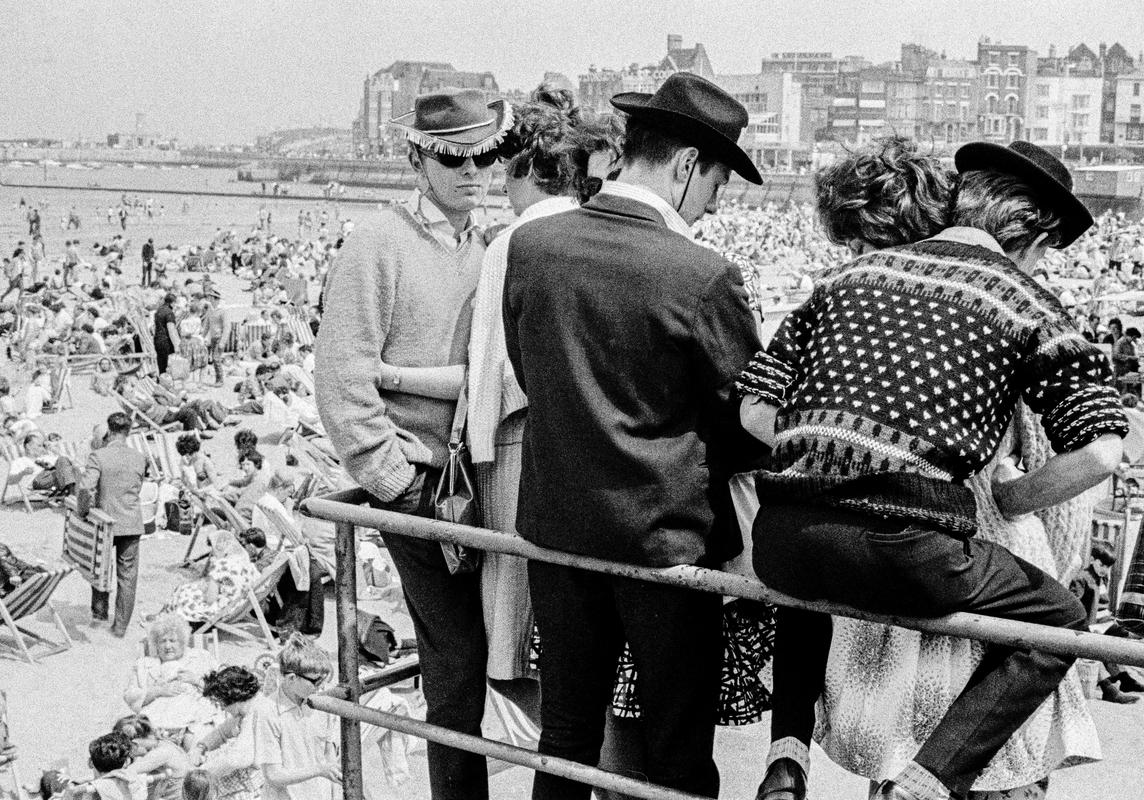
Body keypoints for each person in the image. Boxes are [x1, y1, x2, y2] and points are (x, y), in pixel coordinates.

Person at [738, 140, 1127, 800]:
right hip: (909, 544)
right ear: (1035, 234)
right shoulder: (1022, 298)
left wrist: (830, 450)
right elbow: (1101, 452)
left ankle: (786, 758)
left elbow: (753, 406)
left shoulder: (845, 278)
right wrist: (1009, 497)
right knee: (1058, 621)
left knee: (812, 585)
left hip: (780, 538)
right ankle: (929, 783)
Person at [503, 72, 765, 799]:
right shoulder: (702, 274)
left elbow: (531, 374)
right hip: (665, 546)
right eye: (716, 185)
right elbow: (746, 425)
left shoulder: (536, 245)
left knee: (564, 741)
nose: (713, 206)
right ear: (687, 167)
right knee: (677, 753)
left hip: (556, 530)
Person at [315, 86, 509, 800]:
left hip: (475, 479)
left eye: (485, 155)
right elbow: (340, 378)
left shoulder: (484, 245)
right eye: (454, 158)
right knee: (456, 665)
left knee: (493, 652)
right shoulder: (377, 243)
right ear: (417, 159)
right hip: (421, 487)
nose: (473, 171)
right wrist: (395, 481)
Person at [79, 411, 149, 637]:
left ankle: (99, 616)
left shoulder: (98, 456)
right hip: (131, 522)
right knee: (127, 576)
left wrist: (83, 511)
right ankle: (120, 627)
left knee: (99, 568)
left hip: (104, 522)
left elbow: (85, 488)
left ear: (109, 431)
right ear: (128, 432)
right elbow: (137, 485)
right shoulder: (140, 457)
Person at [248, 633, 341, 800]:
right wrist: (320, 770)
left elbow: (329, 756)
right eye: (316, 681)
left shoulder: (321, 704)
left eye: (323, 680)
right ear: (291, 678)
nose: (321, 686)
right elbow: (273, 775)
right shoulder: (267, 711)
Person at [124, 615, 220, 746]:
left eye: (172, 640)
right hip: (157, 725)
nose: (167, 646)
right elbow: (130, 695)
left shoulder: (201, 657)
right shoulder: (144, 664)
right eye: (163, 641)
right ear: (156, 644)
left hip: (194, 722)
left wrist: (197, 681)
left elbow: (224, 687)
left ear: (182, 642)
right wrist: (157, 691)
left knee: (196, 740)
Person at [1070, 542, 1144, 703]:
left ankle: (1123, 679)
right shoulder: (1082, 578)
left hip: (1104, 622)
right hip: (1089, 625)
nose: (1104, 569)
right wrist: (1086, 625)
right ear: (1092, 560)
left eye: (1108, 567)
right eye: (1101, 564)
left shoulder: (1101, 579)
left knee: (1122, 638)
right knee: (1100, 645)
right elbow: (1074, 604)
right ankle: (1110, 686)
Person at [194, 666, 264, 800]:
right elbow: (222, 732)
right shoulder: (244, 710)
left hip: (261, 784)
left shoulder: (258, 712)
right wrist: (201, 746)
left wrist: (202, 772)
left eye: (222, 704)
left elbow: (237, 759)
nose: (223, 709)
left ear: (233, 697)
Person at [159, 531, 260, 625]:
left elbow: (210, 599)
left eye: (213, 548)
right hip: (237, 605)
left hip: (221, 611)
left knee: (181, 592)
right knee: (188, 589)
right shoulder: (246, 562)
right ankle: (162, 616)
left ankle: (162, 619)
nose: (212, 552)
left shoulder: (222, 565)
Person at [154, 293, 180, 374]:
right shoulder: (169, 313)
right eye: (175, 303)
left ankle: (161, 381)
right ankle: (166, 383)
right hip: (166, 341)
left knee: (161, 364)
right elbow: (171, 329)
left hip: (157, 340)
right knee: (168, 366)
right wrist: (176, 345)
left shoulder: (159, 310)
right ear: (172, 303)